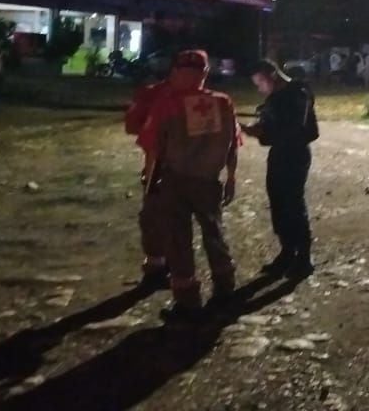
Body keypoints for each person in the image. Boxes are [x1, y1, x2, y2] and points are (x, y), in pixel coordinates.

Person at [139, 50, 240, 320]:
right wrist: (231, 177)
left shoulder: (167, 103)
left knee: (178, 240)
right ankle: (225, 288)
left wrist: (149, 182)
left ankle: (187, 301)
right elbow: (233, 143)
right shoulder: (223, 102)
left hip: (176, 182)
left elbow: (153, 149)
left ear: (176, 72)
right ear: (205, 74)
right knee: (214, 233)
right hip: (209, 181)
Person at [243, 60, 319, 278]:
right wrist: (258, 130)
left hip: (295, 154)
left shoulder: (298, 92)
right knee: (278, 203)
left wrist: (261, 131)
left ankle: (304, 258)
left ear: (272, 75)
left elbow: (293, 128)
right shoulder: (274, 99)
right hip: (279, 153)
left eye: (260, 82)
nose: (259, 88)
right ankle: (287, 252)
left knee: (293, 203)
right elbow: (271, 129)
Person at [124, 76, 171, 287]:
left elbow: (134, 127)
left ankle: (156, 266)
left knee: (153, 216)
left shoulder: (153, 94)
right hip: (197, 169)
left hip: (161, 167)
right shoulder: (208, 96)